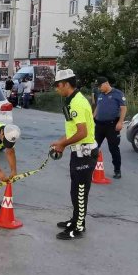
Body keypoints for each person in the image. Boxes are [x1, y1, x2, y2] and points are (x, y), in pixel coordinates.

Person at [50, 69, 97, 240]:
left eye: (58, 85)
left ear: (66, 84)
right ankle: (76, 220)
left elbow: (82, 132)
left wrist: (62, 143)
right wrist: (61, 142)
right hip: (78, 152)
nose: (56, 89)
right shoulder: (72, 100)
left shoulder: (77, 102)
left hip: (84, 153)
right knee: (75, 191)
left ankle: (77, 228)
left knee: (80, 191)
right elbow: (72, 130)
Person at [93, 76, 127, 179]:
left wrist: (120, 122)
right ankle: (90, 168)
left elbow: (123, 108)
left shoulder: (118, 94)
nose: (99, 88)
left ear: (106, 83)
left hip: (112, 125)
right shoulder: (100, 94)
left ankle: (117, 170)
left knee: (114, 148)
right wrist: (92, 119)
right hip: (99, 125)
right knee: (93, 146)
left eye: (100, 86)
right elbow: (97, 108)